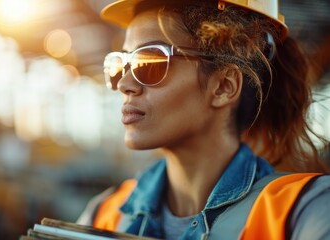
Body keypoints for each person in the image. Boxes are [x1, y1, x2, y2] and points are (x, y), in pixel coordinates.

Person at [77, 0, 330, 239]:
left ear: (223, 86)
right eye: (121, 63)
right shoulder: (103, 214)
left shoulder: (305, 211)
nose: (124, 83)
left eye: (150, 61)